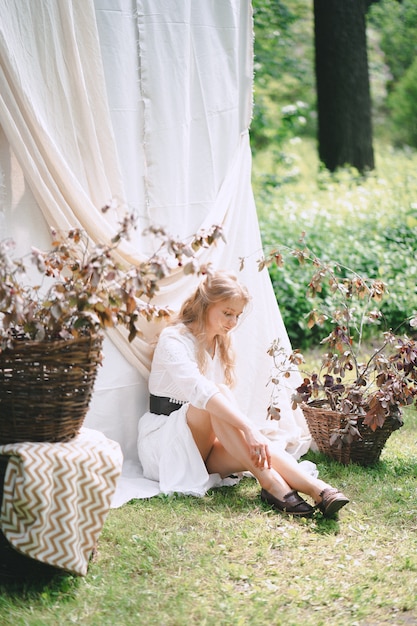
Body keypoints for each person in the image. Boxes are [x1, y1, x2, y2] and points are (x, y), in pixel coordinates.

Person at [137, 271, 349, 518]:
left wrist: (250, 434)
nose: (232, 322)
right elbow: (200, 392)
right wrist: (249, 429)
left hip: (201, 446)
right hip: (165, 445)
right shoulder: (174, 339)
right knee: (221, 396)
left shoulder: (221, 341)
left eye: (237, 315)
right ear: (205, 304)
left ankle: (320, 490)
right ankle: (273, 486)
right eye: (227, 313)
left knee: (259, 446)